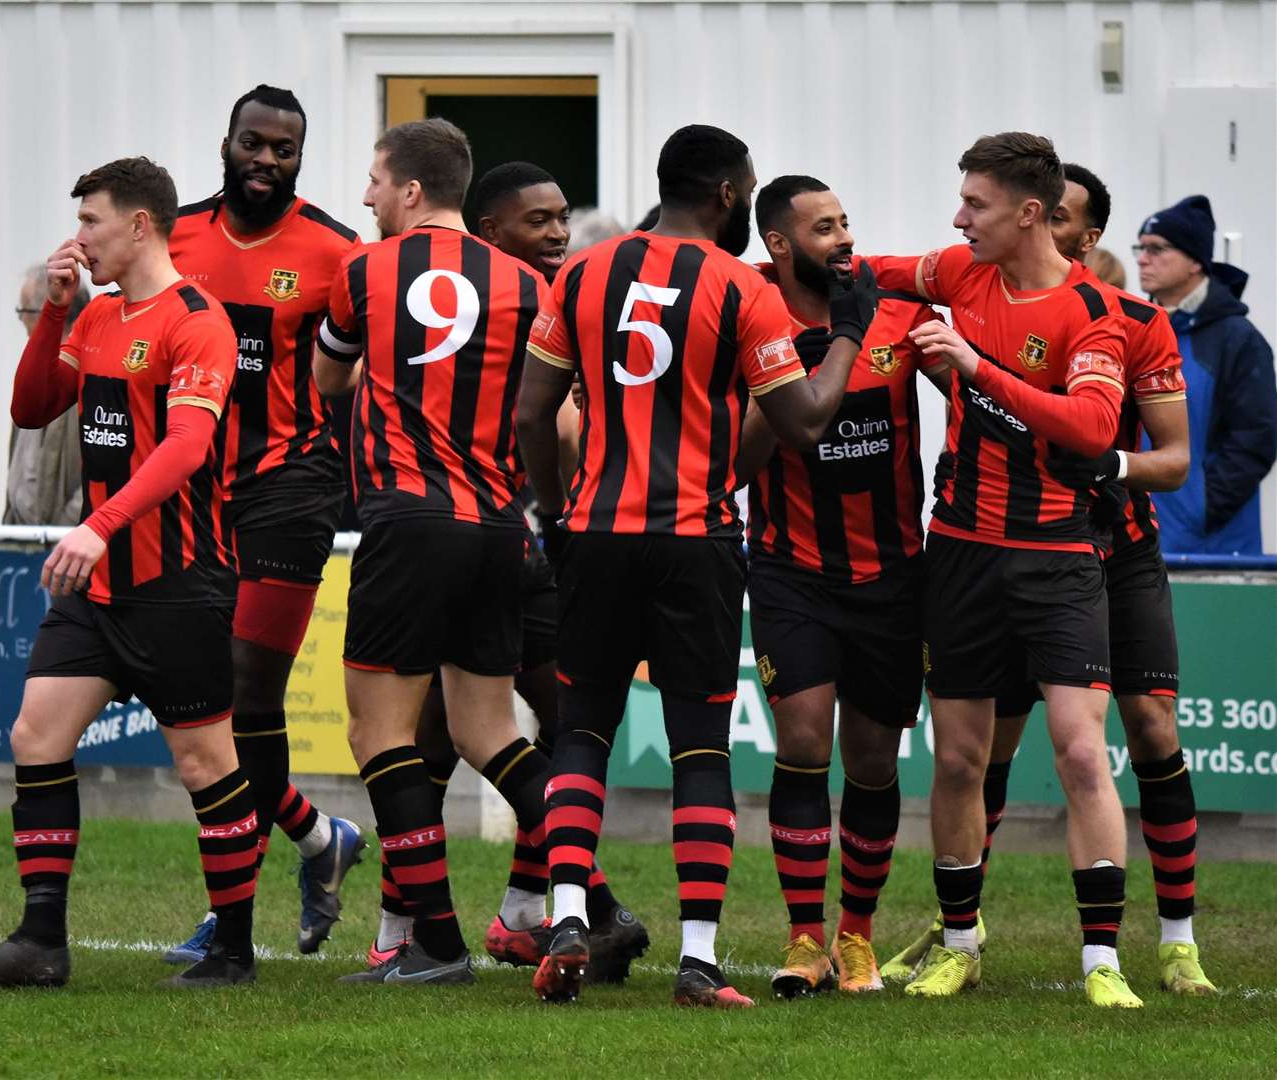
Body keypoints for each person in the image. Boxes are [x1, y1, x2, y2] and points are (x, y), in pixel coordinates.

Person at [517, 124, 883, 1007]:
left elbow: (533, 412)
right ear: (726, 195)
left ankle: (569, 914)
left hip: (596, 532)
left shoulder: (583, 273)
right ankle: (698, 961)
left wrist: (553, 509)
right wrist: (844, 335)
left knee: (581, 731)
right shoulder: (736, 288)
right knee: (699, 747)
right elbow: (801, 423)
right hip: (696, 541)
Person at [884, 162, 1215, 996]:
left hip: (1112, 545)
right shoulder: (973, 280)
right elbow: (876, 276)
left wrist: (1107, 464)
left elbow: (1168, 458)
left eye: (1068, 218)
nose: (965, 220)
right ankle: (956, 929)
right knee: (973, 753)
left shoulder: (1119, 320)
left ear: (1075, 231)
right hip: (982, 548)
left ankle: (1173, 940)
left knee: (1140, 732)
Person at [0, 157, 255, 989]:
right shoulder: (99, 315)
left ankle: (233, 950)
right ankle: (41, 941)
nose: (78, 238)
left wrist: (99, 523)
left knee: (205, 765)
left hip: (178, 581)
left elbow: (188, 448)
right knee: (36, 736)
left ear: (140, 224)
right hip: (97, 585)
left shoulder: (198, 321)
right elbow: (33, 406)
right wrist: (54, 310)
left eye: (92, 222)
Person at [364, 161, 649, 982]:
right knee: (449, 737)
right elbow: (560, 428)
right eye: (540, 221)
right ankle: (456, 920)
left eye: (564, 219)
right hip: (516, 544)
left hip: (504, 544)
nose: (558, 233)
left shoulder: (542, 303)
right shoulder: (526, 302)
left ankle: (520, 911)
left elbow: (557, 428)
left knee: (456, 734)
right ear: (490, 234)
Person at [313, 118, 553, 987]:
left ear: (412, 191)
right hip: (498, 526)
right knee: (491, 733)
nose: (367, 197)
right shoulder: (528, 284)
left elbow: (330, 381)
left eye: (375, 182)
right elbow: (543, 407)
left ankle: (439, 944)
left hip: (408, 520)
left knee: (379, 735)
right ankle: (585, 900)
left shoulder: (364, 271)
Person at [162, 84, 366, 964]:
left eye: (285, 149)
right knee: (208, 701)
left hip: (292, 486)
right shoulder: (173, 238)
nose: (267, 160)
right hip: (194, 495)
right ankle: (318, 838)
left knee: (249, 688)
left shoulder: (335, 251)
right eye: (255, 142)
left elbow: (364, 368)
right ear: (227, 141)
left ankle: (232, 912)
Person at [737, 175, 951, 997]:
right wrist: (803, 362)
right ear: (781, 246)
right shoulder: (754, 324)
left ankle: (854, 936)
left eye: (846, 222)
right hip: (792, 572)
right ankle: (802, 938)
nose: (845, 240)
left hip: (894, 575)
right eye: (824, 228)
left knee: (870, 761)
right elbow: (738, 465)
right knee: (800, 747)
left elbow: (974, 395)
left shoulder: (898, 317)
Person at [1135, 195, 1276, 555]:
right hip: (1137, 538)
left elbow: (1255, 440)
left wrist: (1200, 508)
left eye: (1157, 248)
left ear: (1195, 261)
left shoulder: (1236, 339)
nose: (1142, 258)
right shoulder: (1134, 329)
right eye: (1141, 247)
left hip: (1211, 545)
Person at [4, 267, 90, 526]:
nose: (23, 323)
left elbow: (100, 473)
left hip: (63, 546)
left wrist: (64, 528)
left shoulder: (87, 376)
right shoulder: (35, 377)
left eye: (25, 313)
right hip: (23, 542)